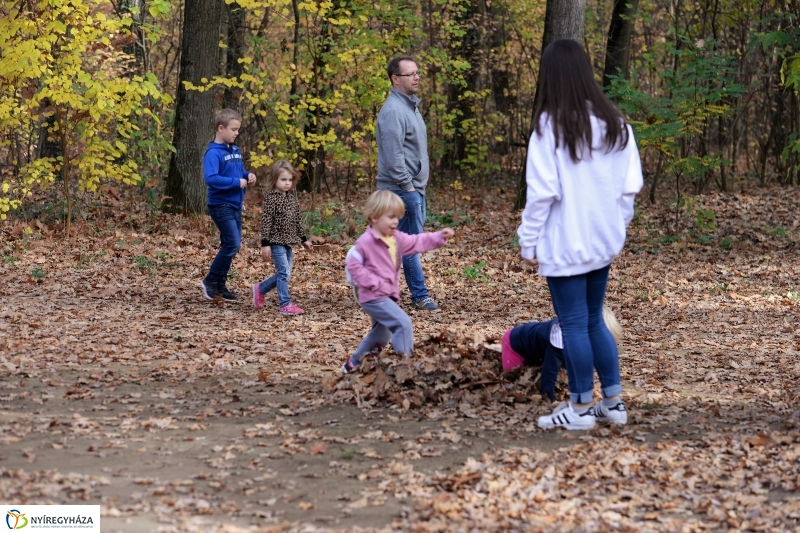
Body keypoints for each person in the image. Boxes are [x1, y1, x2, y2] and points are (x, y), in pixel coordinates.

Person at [517, 39, 643, 430]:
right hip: (601, 242)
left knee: (573, 323)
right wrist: (616, 228)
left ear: (551, 77)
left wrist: (528, 240)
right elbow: (629, 188)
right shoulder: (616, 123)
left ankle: (582, 408)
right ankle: (614, 403)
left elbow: (542, 193)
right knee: (592, 321)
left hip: (565, 242)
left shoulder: (548, 127)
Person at [343, 190, 454, 373]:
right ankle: (405, 366)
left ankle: (354, 363)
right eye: (391, 217)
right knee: (402, 324)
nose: (396, 222)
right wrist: (374, 282)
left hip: (386, 294)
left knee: (382, 332)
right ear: (374, 217)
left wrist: (439, 237)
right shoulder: (366, 242)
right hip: (373, 295)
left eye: (398, 217)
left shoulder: (396, 239)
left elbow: (417, 241)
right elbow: (353, 265)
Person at [375, 55, 440, 312]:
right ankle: (420, 295)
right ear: (395, 79)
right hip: (399, 190)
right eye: (410, 74)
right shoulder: (393, 111)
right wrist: (409, 187)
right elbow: (393, 156)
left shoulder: (410, 106)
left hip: (413, 188)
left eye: (417, 72)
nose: (416, 77)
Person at [501, 306, 623, 406]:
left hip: (539, 348)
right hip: (514, 343)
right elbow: (550, 370)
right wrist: (549, 399)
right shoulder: (559, 340)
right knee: (513, 383)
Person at [201, 108, 257, 301]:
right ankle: (210, 280)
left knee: (229, 244)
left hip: (235, 204)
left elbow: (236, 173)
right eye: (233, 129)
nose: (236, 133)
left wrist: (246, 176)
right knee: (233, 243)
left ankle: (219, 286)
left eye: (238, 129)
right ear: (220, 128)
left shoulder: (235, 150)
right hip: (220, 205)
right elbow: (211, 178)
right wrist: (235, 183)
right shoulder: (213, 153)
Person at [252, 161, 311, 316]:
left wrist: (304, 239)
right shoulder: (271, 198)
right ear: (275, 180)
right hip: (275, 241)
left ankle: (261, 288)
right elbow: (266, 221)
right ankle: (285, 304)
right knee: (284, 273)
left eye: (289, 180)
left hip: (289, 242)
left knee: (286, 273)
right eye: (283, 180)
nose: (287, 183)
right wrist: (265, 244)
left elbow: (297, 221)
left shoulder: (292, 199)